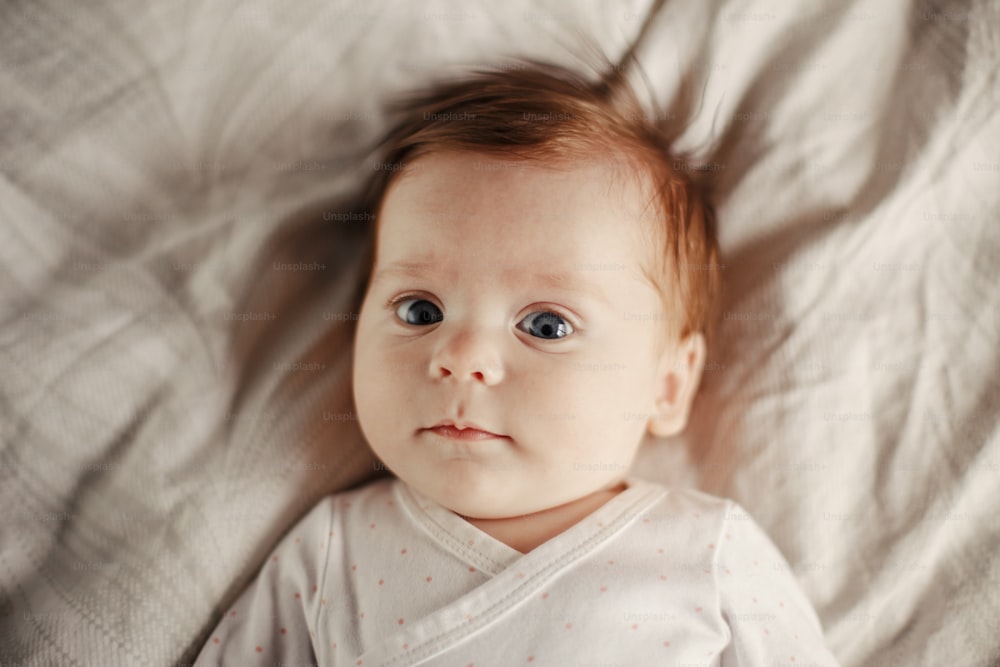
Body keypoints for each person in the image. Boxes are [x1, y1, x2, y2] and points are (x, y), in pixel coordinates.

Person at [195, 58, 839, 666]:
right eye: (420, 311)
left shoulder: (705, 551)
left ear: (666, 387)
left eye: (546, 325)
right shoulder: (331, 551)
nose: (461, 357)